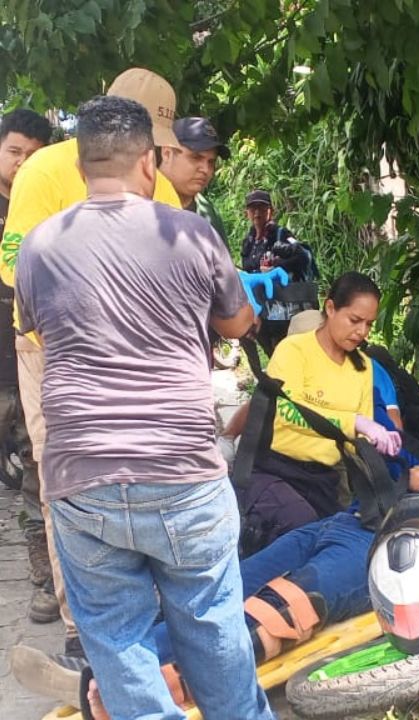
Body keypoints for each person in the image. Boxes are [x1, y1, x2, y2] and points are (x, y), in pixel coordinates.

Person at [13, 392, 419, 709]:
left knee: (284, 606)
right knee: (220, 593)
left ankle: (130, 694)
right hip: (339, 526)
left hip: (385, 554)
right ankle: (115, 670)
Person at [11, 95, 271, 719]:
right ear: (151, 162)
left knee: (118, 643)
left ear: (79, 165)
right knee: (215, 634)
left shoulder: (39, 246)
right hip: (181, 469)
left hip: (82, 479)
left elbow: (38, 328)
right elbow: (237, 325)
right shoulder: (188, 231)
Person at [0, 66, 186, 665]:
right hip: (51, 344)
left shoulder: (161, 184)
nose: (144, 156)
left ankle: (141, 603)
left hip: (133, 346)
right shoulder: (45, 169)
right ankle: (84, 619)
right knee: (68, 479)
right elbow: (12, 263)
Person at [239, 271, 400, 551]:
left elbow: (355, 440)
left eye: (369, 324)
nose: (362, 332)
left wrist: (377, 445)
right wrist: (356, 423)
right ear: (330, 308)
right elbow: (287, 411)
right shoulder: (294, 350)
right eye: (355, 320)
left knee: (343, 544)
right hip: (276, 469)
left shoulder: (362, 367)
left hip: (325, 480)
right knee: (301, 533)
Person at [0, 108, 55, 623]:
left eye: (33, 155)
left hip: (28, 362)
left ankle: (44, 579)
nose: (22, 164)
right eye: (14, 151)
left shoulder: (50, 205)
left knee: (37, 472)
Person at [240, 189, 318, 353]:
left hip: (282, 307)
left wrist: (280, 263)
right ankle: (267, 376)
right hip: (259, 306)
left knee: (284, 348)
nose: (257, 213)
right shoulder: (248, 241)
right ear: (246, 212)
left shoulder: (281, 234)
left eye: (261, 207)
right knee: (262, 344)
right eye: (252, 208)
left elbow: (305, 256)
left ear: (270, 211)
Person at [166, 116, 230, 244]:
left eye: (211, 162)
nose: (205, 169)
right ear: (167, 153)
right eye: (195, 157)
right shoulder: (143, 203)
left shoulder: (209, 213)